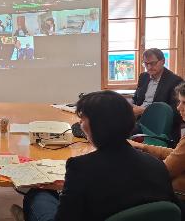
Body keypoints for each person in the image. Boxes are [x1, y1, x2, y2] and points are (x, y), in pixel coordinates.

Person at [10, 90, 180, 221]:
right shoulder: (157, 165)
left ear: (95, 126)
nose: (80, 125)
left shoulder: (80, 167)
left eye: (83, 120)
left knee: (38, 194)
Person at [130, 82, 185, 194]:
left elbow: (166, 171)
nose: (179, 107)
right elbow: (177, 153)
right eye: (179, 102)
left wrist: (136, 163)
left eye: (184, 103)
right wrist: (142, 147)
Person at [133, 48, 183, 140]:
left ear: (163, 61)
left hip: (160, 126)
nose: (148, 67)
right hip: (140, 121)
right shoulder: (143, 77)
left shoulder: (175, 81)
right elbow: (136, 99)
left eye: (152, 63)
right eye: (145, 64)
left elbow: (176, 112)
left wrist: (144, 110)